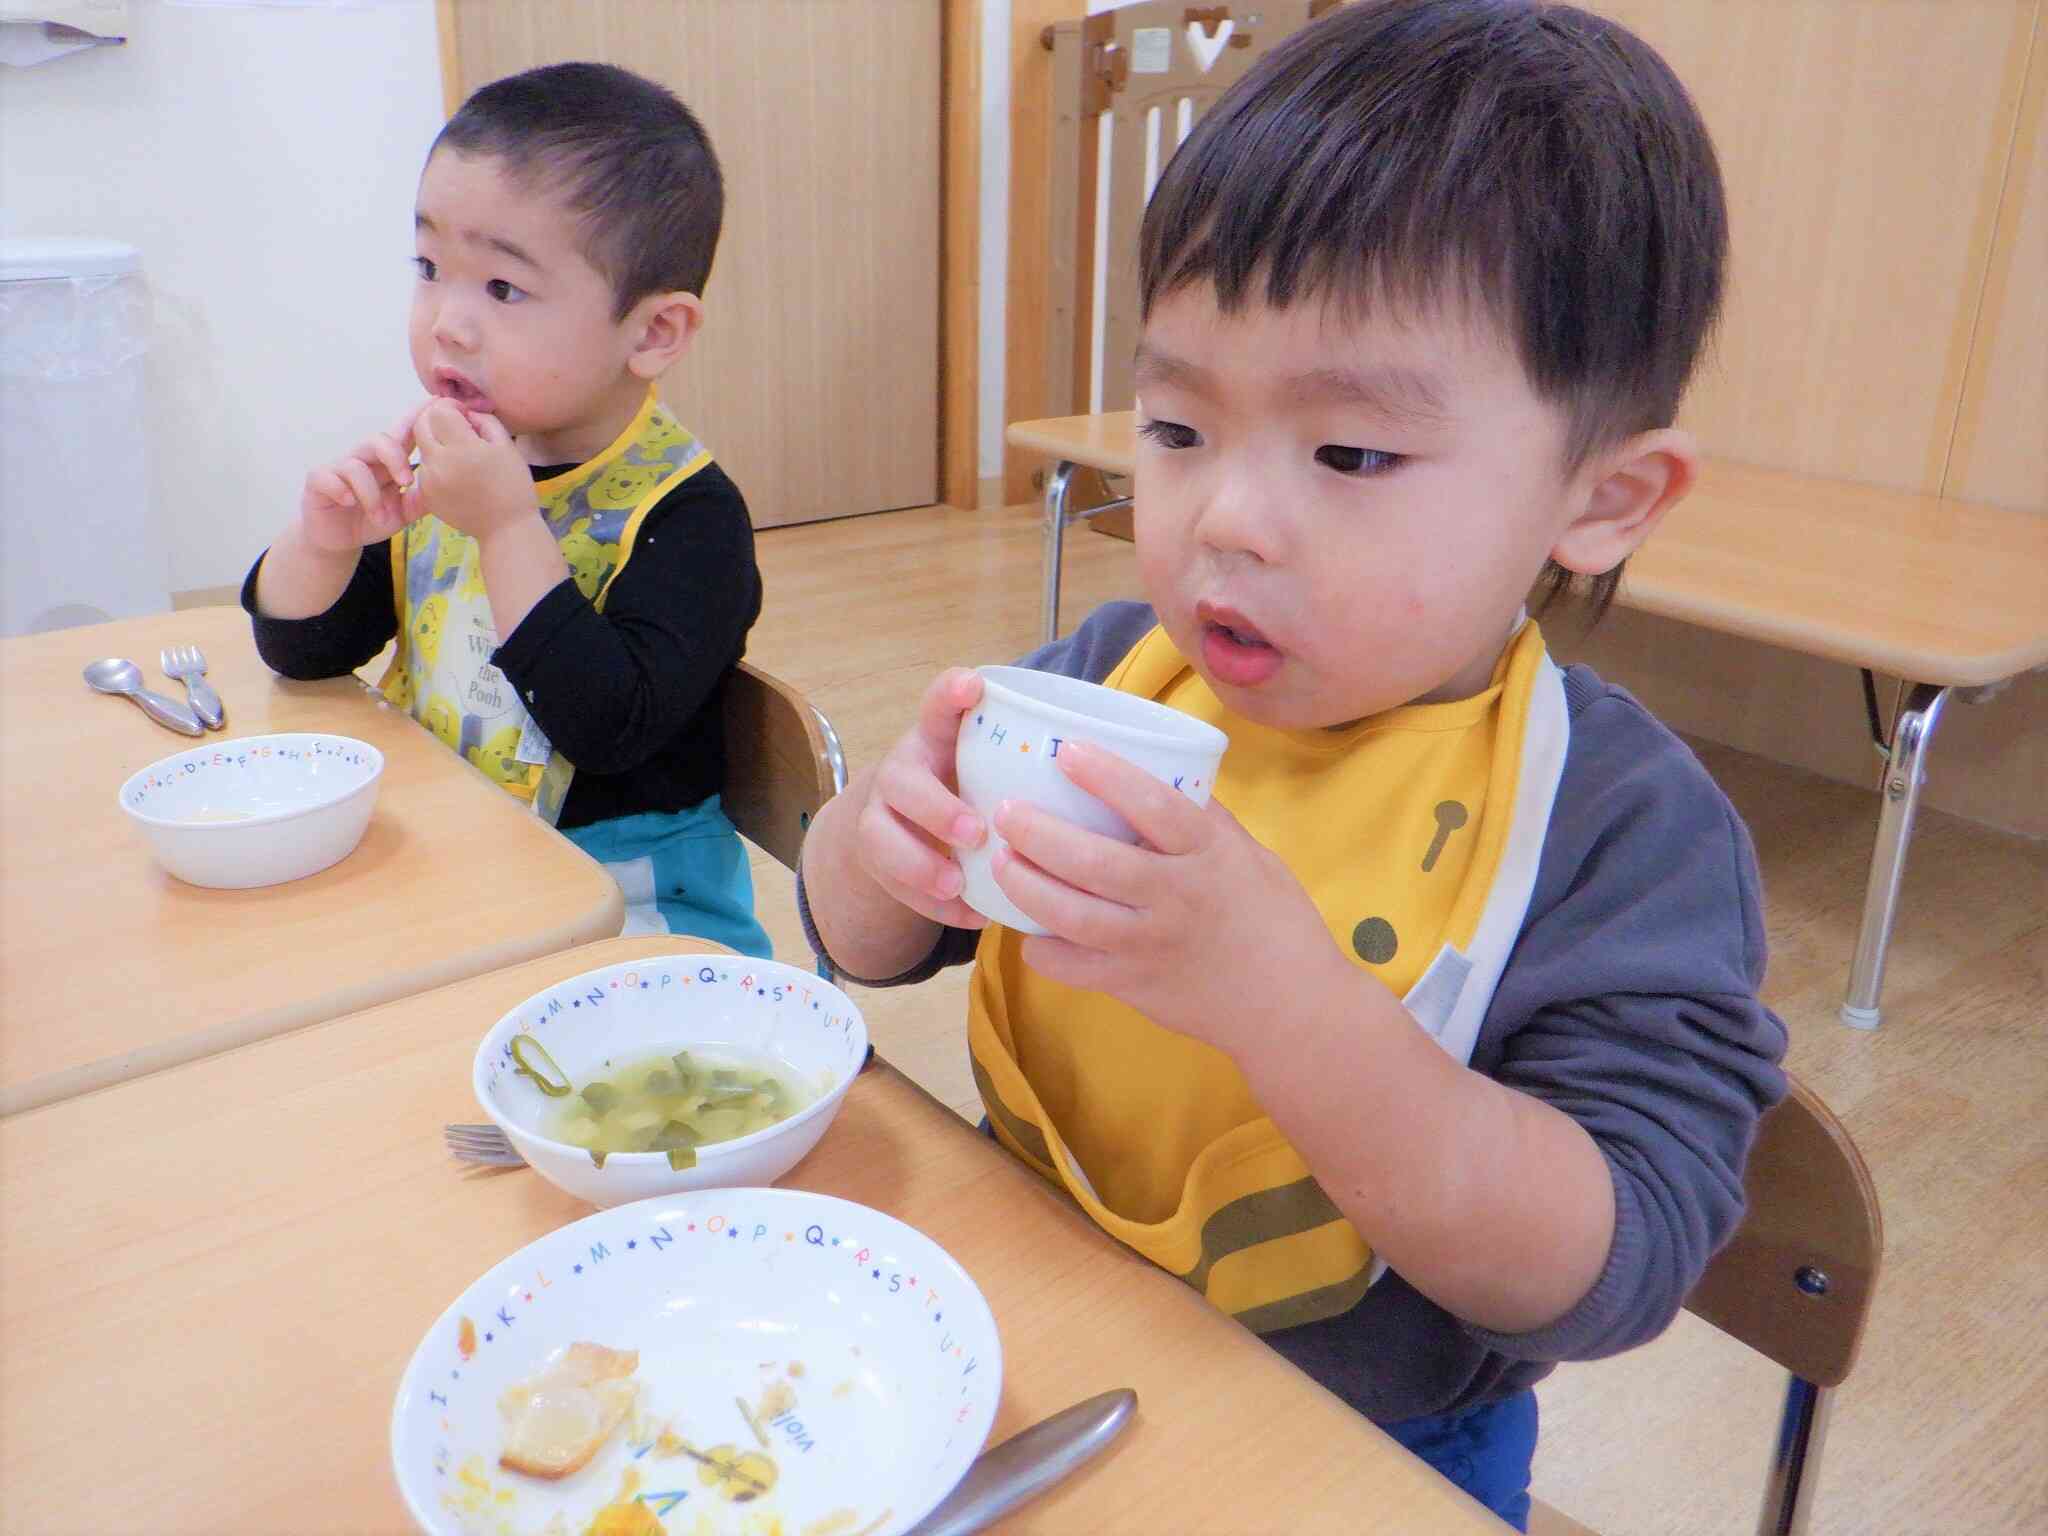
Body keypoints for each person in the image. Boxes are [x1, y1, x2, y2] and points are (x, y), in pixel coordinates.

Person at [794, 2, 1788, 1525]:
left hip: (1361, 1452)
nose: (1223, 518)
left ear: (1603, 499)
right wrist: (882, 844)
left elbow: (1607, 1269)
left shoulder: (1616, 827)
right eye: (1179, 423)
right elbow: (860, 945)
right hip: (1024, 1341)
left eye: (1351, 456)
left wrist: (1276, 995)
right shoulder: (1114, 685)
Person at [244, 62, 770, 956]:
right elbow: (305, 651)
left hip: (623, 912)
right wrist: (323, 545)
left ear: (652, 333)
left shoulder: (691, 518)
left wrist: (506, 528)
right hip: (456, 866)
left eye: (501, 289)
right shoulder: (456, 464)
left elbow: (606, 727)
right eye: (430, 268)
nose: (447, 320)